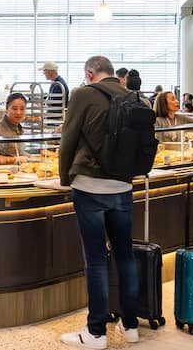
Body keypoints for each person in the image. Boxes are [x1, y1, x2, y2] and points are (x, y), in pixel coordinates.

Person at [58, 56, 139, 348]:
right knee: (125, 256)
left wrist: (65, 179)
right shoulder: (131, 95)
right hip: (123, 185)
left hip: (90, 185)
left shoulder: (83, 94)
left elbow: (68, 138)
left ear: (90, 73)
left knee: (95, 260)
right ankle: (130, 326)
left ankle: (96, 332)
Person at [0, 93, 33, 165]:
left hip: (16, 172)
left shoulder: (18, 128)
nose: (18, 112)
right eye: (14, 109)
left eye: (22, 109)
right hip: (1, 174)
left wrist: (31, 158)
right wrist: (14, 159)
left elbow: (13, 152)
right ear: (6, 109)